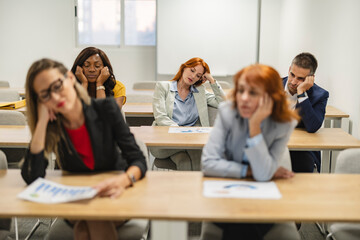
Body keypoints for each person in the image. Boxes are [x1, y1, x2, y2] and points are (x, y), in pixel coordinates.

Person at [21, 58, 147, 239]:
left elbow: (138, 160)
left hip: (114, 194)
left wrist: (124, 180)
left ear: (71, 79)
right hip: (77, 200)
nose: (55, 97)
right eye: (45, 95)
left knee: (86, 226)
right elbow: (32, 176)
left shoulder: (106, 109)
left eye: (57, 86)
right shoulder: (53, 125)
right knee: (91, 216)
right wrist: (41, 123)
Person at [202, 64, 299, 240]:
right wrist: (251, 170)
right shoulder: (227, 112)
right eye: (240, 91)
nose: (244, 98)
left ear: (270, 98)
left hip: (262, 198)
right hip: (226, 193)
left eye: (253, 93)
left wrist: (254, 127)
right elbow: (208, 164)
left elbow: (263, 175)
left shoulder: (284, 124)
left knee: (250, 222)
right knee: (240, 223)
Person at [151, 57, 225, 170]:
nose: (193, 76)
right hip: (165, 140)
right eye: (192, 70)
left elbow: (223, 103)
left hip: (191, 139)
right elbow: (161, 117)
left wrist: (212, 80)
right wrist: (182, 135)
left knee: (184, 161)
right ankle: (196, 186)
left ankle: (189, 187)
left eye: (199, 75)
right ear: (184, 68)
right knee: (197, 153)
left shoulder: (199, 91)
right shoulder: (163, 87)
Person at [283, 52, 329, 173]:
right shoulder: (271, 86)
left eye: (300, 79)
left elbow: (312, 127)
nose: (293, 81)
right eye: (292, 75)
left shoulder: (320, 95)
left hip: (301, 151)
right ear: (289, 69)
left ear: (310, 78)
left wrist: (302, 93)